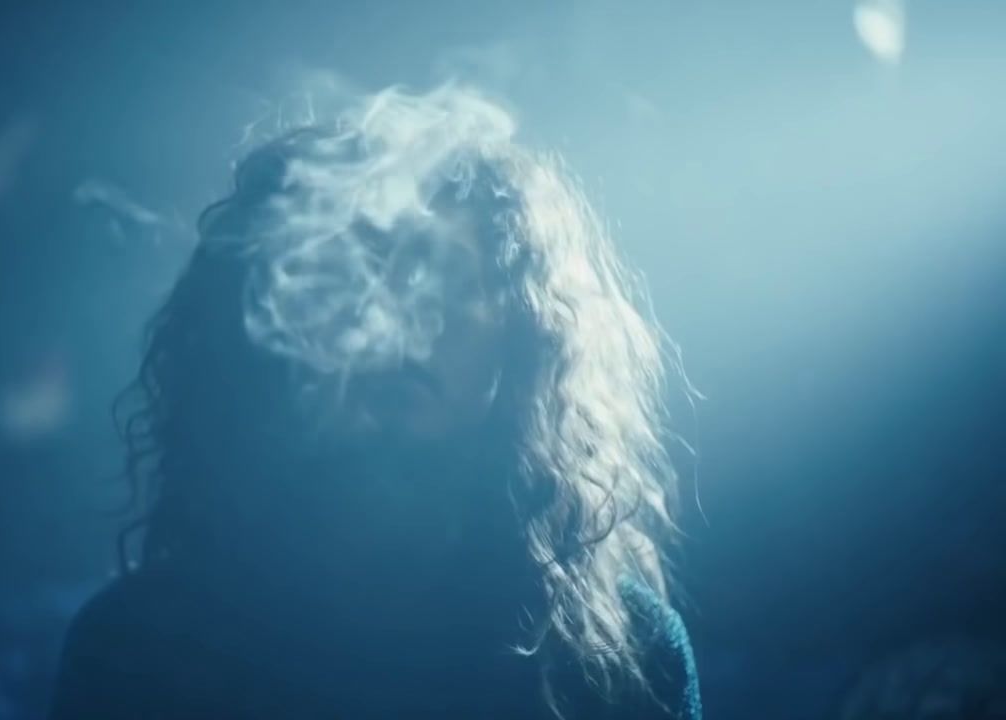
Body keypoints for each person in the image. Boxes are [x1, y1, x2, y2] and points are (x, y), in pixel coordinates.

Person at [51, 86, 702, 719]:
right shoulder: (137, 645)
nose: (402, 317)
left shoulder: (622, 657)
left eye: (448, 275)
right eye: (360, 269)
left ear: (524, 336)